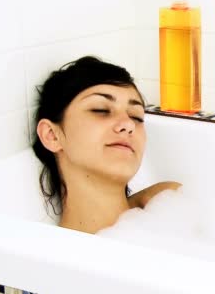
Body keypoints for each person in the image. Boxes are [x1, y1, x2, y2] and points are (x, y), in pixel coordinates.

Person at [31, 56, 181, 234]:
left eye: (136, 116)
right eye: (100, 110)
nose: (128, 124)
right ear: (52, 136)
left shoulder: (172, 203)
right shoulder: (46, 256)